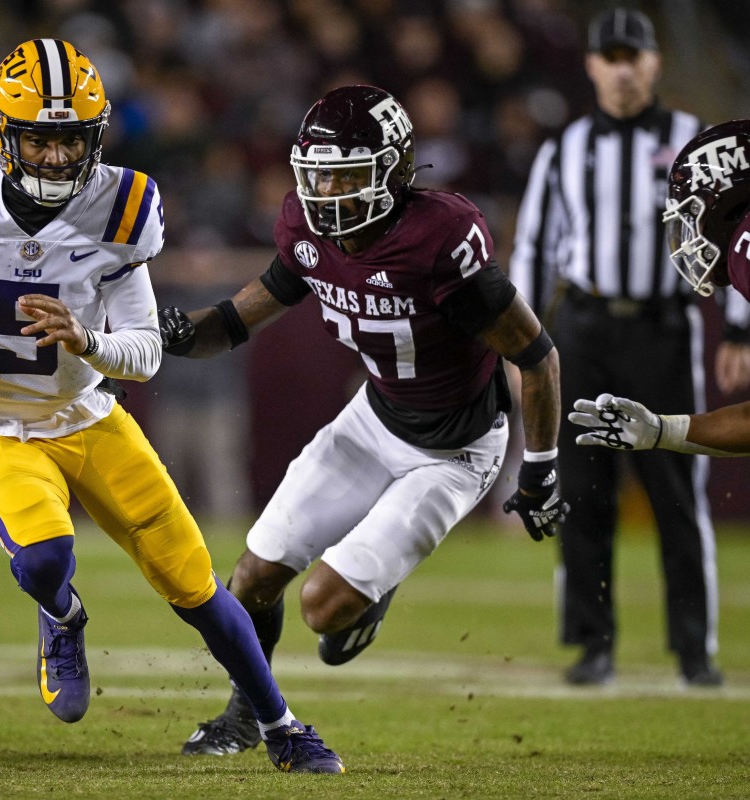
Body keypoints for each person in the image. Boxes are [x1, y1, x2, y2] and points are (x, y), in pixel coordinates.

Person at [0, 38, 343, 774]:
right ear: (2, 135)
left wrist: (89, 340)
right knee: (47, 559)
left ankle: (283, 726)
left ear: (96, 136)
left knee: (194, 582)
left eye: (68, 139)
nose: (52, 157)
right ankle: (62, 615)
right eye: (37, 139)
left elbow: (143, 347)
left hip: (88, 415)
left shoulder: (125, 205)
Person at [158, 83, 565, 756]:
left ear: (396, 170)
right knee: (252, 577)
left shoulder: (441, 237)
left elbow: (538, 358)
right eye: (317, 175)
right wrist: (177, 333)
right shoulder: (305, 229)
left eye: (346, 175)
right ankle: (244, 714)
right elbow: (236, 320)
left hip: (454, 451)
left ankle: (365, 596)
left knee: (324, 611)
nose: (327, 192)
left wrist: (542, 469)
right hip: (372, 421)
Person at [509, 8, 750, 688]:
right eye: (609, 56)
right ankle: (593, 643)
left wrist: (738, 325)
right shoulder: (566, 147)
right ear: (591, 65)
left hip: (663, 328)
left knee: (678, 489)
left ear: (653, 64)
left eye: (631, 56)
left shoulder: (691, 142)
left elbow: (739, 230)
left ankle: (694, 649)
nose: (621, 68)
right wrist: (520, 338)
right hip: (583, 328)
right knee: (582, 490)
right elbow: (534, 246)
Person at [572, 120, 750, 456]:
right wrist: (664, 431)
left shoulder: (745, 245)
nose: (691, 236)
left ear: (734, 203)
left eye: (695, 212)